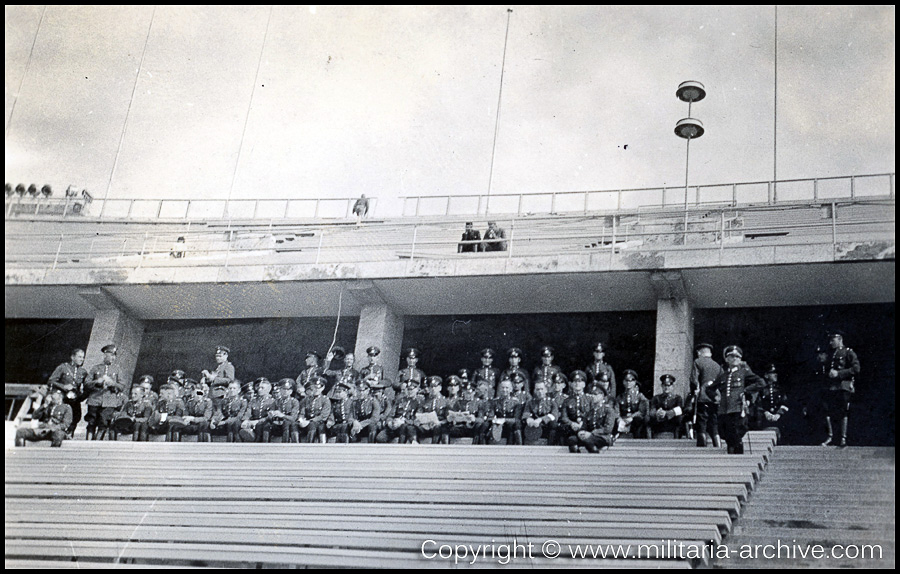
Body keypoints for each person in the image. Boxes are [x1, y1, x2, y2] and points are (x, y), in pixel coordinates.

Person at [708, 346, 766, 454]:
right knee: (724, 432)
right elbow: (709, 389)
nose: (734, 358)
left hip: (738, 408)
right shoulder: (723, 375)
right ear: (726, 359)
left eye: (737, 357)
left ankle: (738, 457)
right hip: (724, 409)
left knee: (736, 433)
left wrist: (746, 390)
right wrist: (716, 397)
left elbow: (761, 383)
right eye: (731, 356)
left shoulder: (744, 372)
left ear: (740, 359)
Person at [821, 330, 860, 447]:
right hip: (832, 387)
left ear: (840, 339)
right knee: (828, 410)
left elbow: (856, 369)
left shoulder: (848, 352)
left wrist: (839, 373)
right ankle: (830, 436)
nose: (830, 342)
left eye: (833, 340)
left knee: (843, 411)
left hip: (843, 386)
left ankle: (843, 438)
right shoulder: (830, 354)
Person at [85, 344, 125, 440]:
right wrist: (97, 381)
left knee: (103, 423)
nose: (113, 357)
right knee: (91, 422)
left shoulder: (117, 369)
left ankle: (96, 444)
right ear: (104, 355)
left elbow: (122, 386)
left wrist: (113, 383)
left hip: (109, 401)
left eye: (114, 355)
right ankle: (87, 443)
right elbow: (86, 383)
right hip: (94, 399)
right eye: (111, 355)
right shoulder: (96, 368)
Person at [46, 348, 88, 438]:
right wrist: (63, 386)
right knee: (61, 417)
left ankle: (70, 436)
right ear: (72, 357)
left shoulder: (83, 372)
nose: (82, 359)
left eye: (83, 357)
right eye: (79, 357)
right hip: (63, 398)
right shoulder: (63, 367)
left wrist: (81, 396)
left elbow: (87, 385)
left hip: (75, 400)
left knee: (76, 417)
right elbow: (51, 381)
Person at [691, 343, 723, 447]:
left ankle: (702, 446)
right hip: (715, 397)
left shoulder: (697, 362)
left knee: (702, 421)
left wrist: (693, 392)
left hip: (702, 396)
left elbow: (694, 380)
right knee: (714, 422)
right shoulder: (718, 366)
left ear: (699, 352)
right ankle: (717, 445)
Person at [568, 385, 617, 453]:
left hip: (602, 437)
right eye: (592, 394)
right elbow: (584, 427)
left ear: (602, 395)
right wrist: (581, 432)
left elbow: (607, 429)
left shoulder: (608, 410)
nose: (593, 396)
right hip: (589, 436)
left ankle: (596, 457)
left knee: (589, 441)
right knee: (572, 440)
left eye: (595, 394)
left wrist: (592, 433)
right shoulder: (590, 411)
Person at [376, 380, 420, 444]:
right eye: (407, 389)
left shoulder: (419, 402)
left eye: (411, 389)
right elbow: (391, 414)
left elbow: (417, 420)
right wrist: (390, 422)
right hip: (394, 426)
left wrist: (404, 421)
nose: (409, 391)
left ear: (417, 389)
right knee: (380, 438)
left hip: (406, 428)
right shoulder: (400, 400)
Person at [445, 376, 486, 445]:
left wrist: (474, 419)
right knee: (447, 429)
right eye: (465, 393)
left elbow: (482, 419)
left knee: (479, 426)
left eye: (469, 393)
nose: (467, 395)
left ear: (474, 392)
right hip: (461, 427)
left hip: (472, 428)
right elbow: (453, 414)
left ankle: (475, 447)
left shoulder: (479, 403)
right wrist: (452, 418)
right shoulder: (458, 402)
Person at [752, 365, 789, 439]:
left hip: (779, 420)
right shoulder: (761, 390)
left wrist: (778, 414)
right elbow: (757, 405)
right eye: (772, 373)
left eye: (776, 373)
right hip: (764, 420)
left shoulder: (780, 389)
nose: (775, 375)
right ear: (766, 375)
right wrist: (766, 413)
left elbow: (785, 404)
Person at [615, 369, 650, 439]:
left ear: (635, 382)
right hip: (623, 421)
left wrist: (632, 417)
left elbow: (642, 411)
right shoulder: (620, 397)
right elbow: (616, 411)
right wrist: (619, 419)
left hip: (634, 421)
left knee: (638, 421)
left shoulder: (640, 396)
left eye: (631, 380)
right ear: (623, 382)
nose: (629, 383)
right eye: (626, 380)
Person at [522, 381, 559, 445]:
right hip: (533, 427)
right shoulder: (530, 402)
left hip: (546, 426)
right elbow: (526, 413)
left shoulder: (551, 402)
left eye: (542, 389)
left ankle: (550, 445)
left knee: (554, 424)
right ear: (534, 391)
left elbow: (554, 415)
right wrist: (529, 419)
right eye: (537, 389)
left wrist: (541, 419)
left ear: (546, 390)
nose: (540, 391)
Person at [488, 379, 523, 445]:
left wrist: (504, 420)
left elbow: (517, 419)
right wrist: (494, 420)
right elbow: (490, 416)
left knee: (514, 426)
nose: (504, 390)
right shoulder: (495, 402)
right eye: (502, 387)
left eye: (507, 388)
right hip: (498, 426)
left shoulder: (516, 402)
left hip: (510, 427)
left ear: (511, 389)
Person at [240, 378, 275, 442]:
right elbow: (248, 412)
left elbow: (270, 417)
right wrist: (245, 420)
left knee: (265, 426)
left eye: (262, 388)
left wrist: (258, 421)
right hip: (253, 423)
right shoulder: (253, 400)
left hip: (265, 424)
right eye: (258, 388)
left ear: (268, 389)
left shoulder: (272, 401)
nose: (259, 390)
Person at [299, 376, 332, 443]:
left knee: (312, 425)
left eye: (319, 387)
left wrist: (309, 421)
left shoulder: (325, 400)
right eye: (314, 387)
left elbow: (323, 416)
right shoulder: (306, 400)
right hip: (306, 423)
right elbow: (302, 412)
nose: (316, 389)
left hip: (319, 423)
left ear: (323, 388)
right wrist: (300, 420)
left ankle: (309, 447)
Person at [201, 345, 235, 410]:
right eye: (216, 356)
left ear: (226, 356)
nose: (217, 358)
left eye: (220, 356)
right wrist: (206, 378)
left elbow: (230, 380)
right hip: (212, 394)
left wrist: (212, 378)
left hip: (220, 395)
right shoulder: (218, 367)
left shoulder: (228, 366)